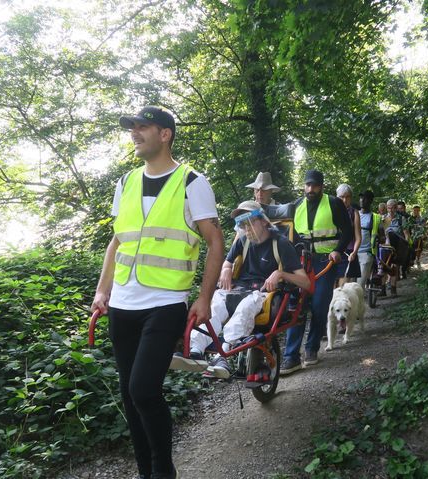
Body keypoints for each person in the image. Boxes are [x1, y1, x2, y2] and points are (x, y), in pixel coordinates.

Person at [90, 106, 224, 479]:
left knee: (144, 390)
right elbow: (117, 241)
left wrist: (204, 297)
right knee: (130, 397)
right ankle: (145, 471)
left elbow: (215, 241)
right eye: (131, 128)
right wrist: (103, 290)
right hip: (122, 305)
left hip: (165, 303)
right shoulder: (126, 182)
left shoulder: (192, 182)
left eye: (142, 127)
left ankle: (164, 470)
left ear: (165, 134)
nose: (134, 133)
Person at [171, 201, 310, 378]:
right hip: (237, 290)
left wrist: (280, 274)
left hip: (263, 294)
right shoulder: (243, 241)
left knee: (245, 307)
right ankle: (196, 350)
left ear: (264, 221)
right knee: (215, 306)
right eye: (242, 224)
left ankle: (224, 355)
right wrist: (226, 270)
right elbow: (227, 263)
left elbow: (305, 283)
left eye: (250, 223)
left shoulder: (281, 243)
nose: (246, 228)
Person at [264, 170, 352, 373]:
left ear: (321, 186)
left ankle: (311, 348)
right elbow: (280, 223)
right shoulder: (296, 206)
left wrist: (338, 251)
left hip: (325, 262)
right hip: (300, 262)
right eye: (308, 185)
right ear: (304, 185)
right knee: (295, 305)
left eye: (315, 186)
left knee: (320, 304)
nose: (310, 189)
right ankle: (291, 356)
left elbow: (347, 231)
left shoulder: (334, 204)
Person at [357, 191, 385, 290]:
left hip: (367, 252)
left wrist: (380, 238)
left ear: (370, 201)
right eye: (361, 198)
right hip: (352, 252)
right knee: (348, 283)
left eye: (365, 198)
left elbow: (383, 236)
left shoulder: (376, 218)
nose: (362, 200)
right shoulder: (354, 214)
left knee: (359, 284)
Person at [335, 184, 361, 288]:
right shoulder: (332, 211)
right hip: (332, 251)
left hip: (348, 253)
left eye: (348, 197)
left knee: (343, 287)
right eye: (342, 197)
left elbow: (358, 237)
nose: (345, 200)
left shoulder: (354, 213)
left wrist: (354, 252)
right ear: (337, 197)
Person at [383, 199, 410, 296]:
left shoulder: (401, 219)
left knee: (394, 267)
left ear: (396, 208)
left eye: (393, 208)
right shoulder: (383, 219)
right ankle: (383, 289)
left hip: (397, 246)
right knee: (383, 266)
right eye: (389, 208)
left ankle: (393, 288)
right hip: (386, 246)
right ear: (387, 208)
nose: (391, 210)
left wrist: (406, 244)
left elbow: (406, 233)